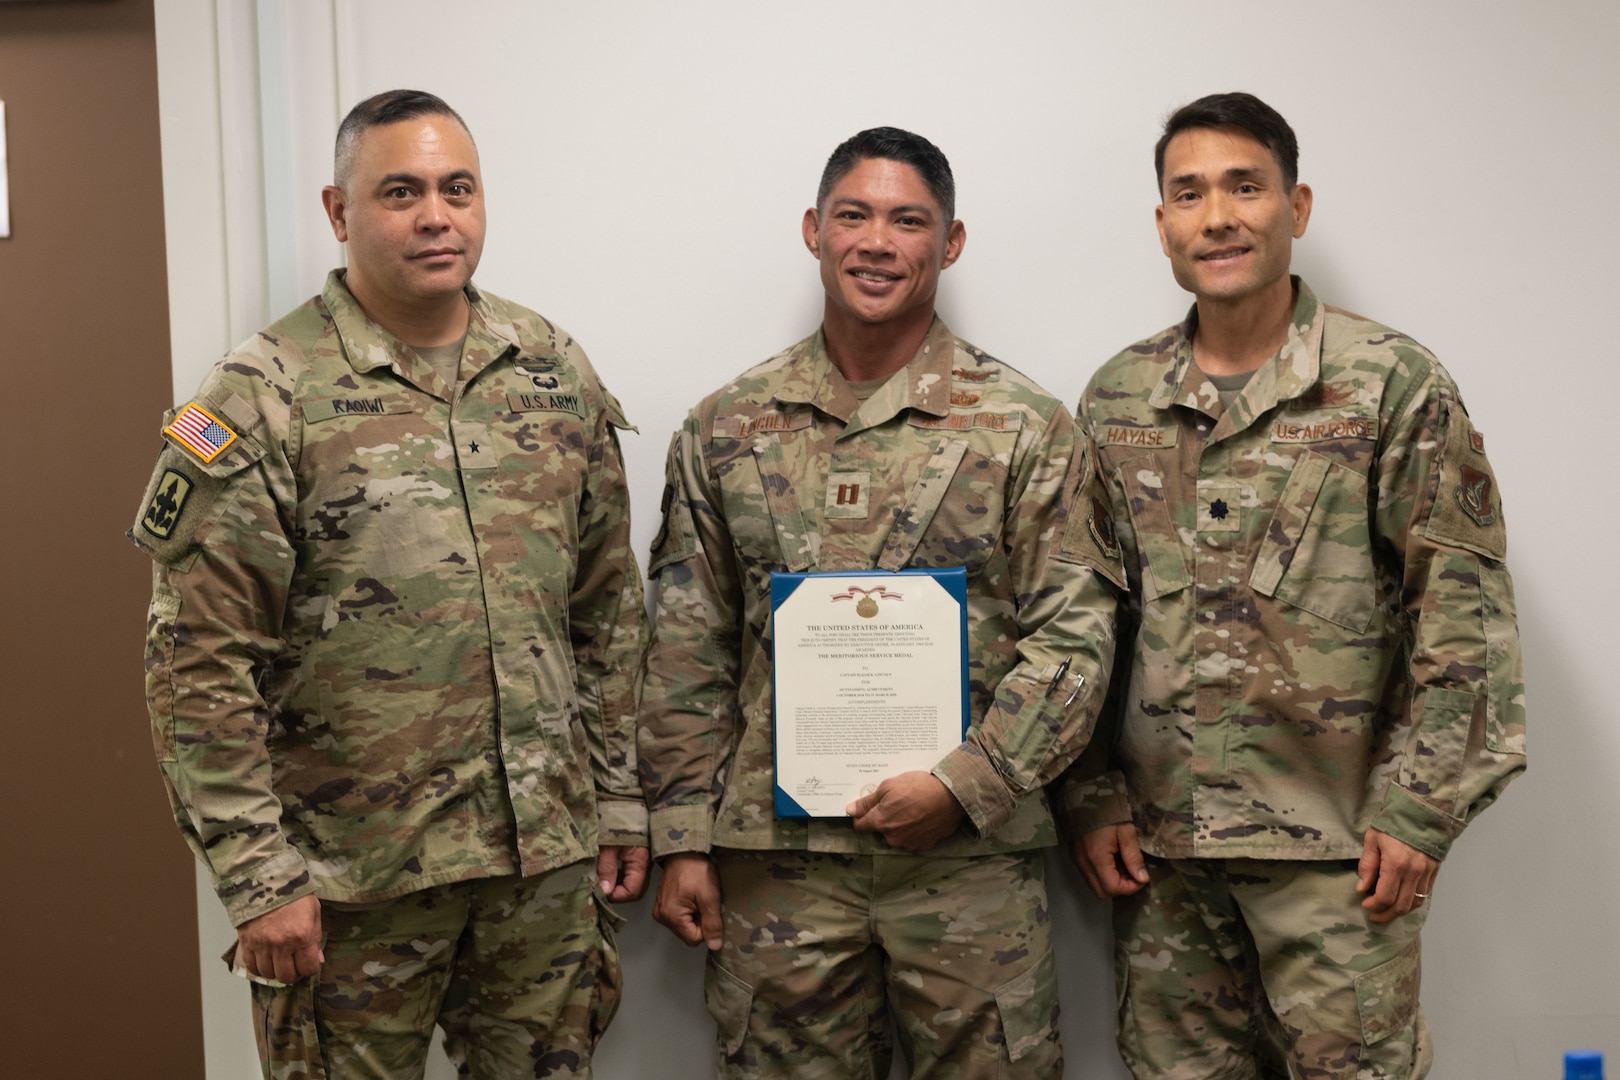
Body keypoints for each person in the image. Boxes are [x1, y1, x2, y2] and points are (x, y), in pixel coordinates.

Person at [130, 89, 648, 1079]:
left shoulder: (549, 372)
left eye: (459, 189)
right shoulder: (264, 394)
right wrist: (256, 876)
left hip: (539, 868)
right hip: (351, 883)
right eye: (401, 192)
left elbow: (607, 612)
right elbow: (199, 663)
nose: (436, 216)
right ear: (339, 211)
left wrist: (619, 801)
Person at [639, 126, 1124, 1078]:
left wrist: (963, 785)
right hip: (777, 868)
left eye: (908, 221)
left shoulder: (1025, 427)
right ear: (814, 230)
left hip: (968, 863)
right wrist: (683, 838)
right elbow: (689, 647)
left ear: (950, 244)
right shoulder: (725, 426)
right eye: (853, 216)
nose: (876, 241)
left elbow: (1076, 640)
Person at [1064, 91, 1526, 1080]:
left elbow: (1464, 620)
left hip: (1339, 865)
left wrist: (1417, 813)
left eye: (1245, 186)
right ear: (1162, 225)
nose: (1217, 216)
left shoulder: (1390, 384)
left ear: (1297, 206)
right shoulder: (1116, 398)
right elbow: (1082, 620)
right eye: (1188, 194)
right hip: (1164, 862)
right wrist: (1091, 795)